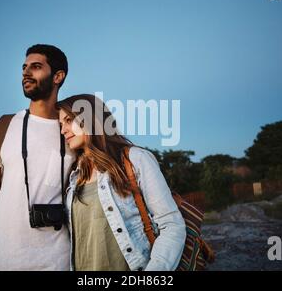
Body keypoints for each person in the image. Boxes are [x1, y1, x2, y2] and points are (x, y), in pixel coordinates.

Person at [57, 94, 186, 271]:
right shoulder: (73, 177)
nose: (63, 130)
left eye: (68, 120)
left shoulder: (136, 160)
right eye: (60, 124)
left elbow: (172, 225)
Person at [0, 44, 76, 270]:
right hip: (0, 261)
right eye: (24, 67)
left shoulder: (73, 131)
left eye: (36, 67)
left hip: (57, 262)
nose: (26, 72)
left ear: (58, 76)